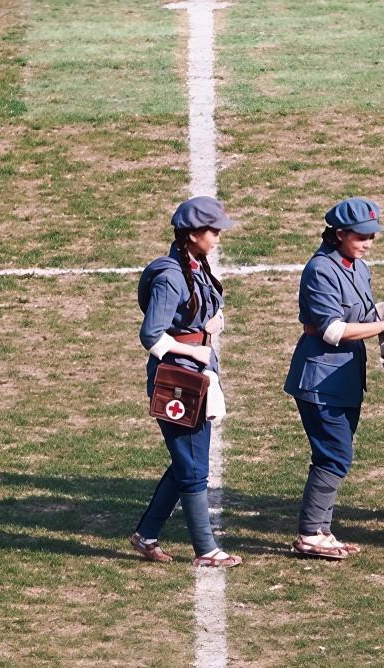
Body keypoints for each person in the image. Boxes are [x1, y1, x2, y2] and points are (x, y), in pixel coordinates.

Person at [285, 197, 384, 559]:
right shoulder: (321, 270)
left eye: (371, 236)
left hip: (345, 379)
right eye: (361, 236)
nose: (368, 243)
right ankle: (310, 533)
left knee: (333, 455)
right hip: (320, 380)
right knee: (335, 455)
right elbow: (332, 331)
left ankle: (322, 531)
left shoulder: (358, 267)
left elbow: (365, 315)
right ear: (340, 233)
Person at [130, 196, 242, 567]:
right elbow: (152, 335)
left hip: (196, 373)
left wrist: (211, 326)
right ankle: (206, 550)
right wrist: (194, 350)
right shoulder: (171, 277)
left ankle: (146, 534)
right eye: (213, 230)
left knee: (186, 461)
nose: (218, 236)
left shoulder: (195, 266)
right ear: (192, 234)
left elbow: (202, 311)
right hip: (178, 380)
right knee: (193, 467)